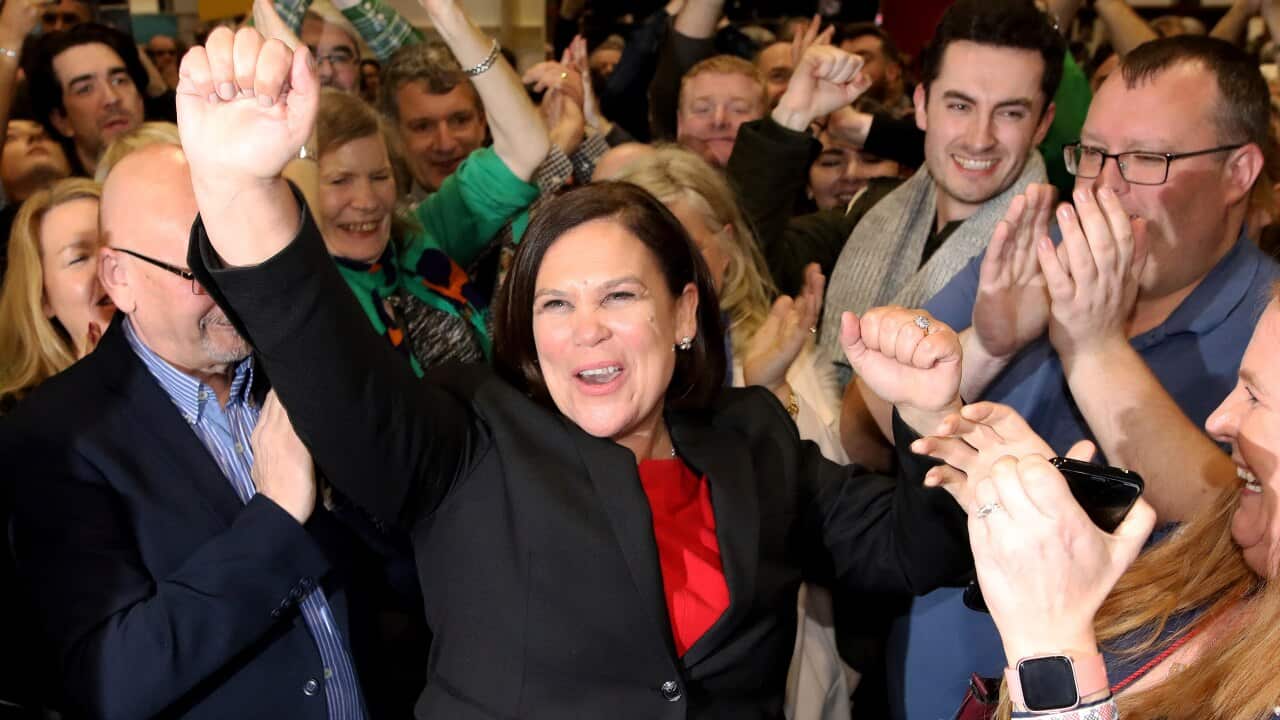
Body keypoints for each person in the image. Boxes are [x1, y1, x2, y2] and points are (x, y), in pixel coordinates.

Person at [173, 24, 1001, 717]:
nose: (588, 332)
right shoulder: (469, 441)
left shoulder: (754, 437)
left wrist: (931, 416)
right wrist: (237, 185)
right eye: (556, 305)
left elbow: (912, 551)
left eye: (620, 296)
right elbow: (328, 362)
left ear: (684, 313)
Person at [849, 34, 1280, 718]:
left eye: (1147, 159)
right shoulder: (1042, 248)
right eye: (1095, 154)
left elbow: (1235, 525)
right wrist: (989, 343)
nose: (1107, 186)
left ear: (1239, 172)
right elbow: (863, 428)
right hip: (928, 682)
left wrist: (1093, 346)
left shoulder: (1267, 320)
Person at [2, 140, 426, 718]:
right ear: (118, 277)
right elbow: (116, 681)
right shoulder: (57, 439)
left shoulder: (296, 366)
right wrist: (276, 518)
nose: (229, 288)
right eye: (197, 270)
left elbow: (410, 562)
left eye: (234, 259)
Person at [922, 282, 1280, 717]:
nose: (1219, 419)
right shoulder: (1217, 559)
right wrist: (1058, 520)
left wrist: (1051, 646)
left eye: (1255, 397)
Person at [614, 145, 846, 462]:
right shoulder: (591, 354)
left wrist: (774, 388)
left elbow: (832, 474)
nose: (668, 271)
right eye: (648, 253)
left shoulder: (774, 348)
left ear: (726, 247)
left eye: (688, 250)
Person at [314, 87, 540, 372]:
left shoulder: (414, 239)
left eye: (380, 176)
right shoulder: (302, 298)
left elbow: (525, 150)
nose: (367, 201)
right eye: (340, 181)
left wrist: (466, 53)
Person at [0, 177, 109, 411]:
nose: (109, 264)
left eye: (115, 245)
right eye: (79, 258)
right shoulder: (22, 417)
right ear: (43, 298)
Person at [25, 23, 151, 177]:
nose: (112, 98)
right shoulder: (63, 193)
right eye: (85, 89)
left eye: (119, 81)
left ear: (140, 98)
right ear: (61, 121)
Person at [381, 40, 490, 199]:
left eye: (460, 121)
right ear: (395, 134)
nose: (445, 145)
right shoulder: (381, 213)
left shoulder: (525, 207)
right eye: (423, 127)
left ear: (482, 122)